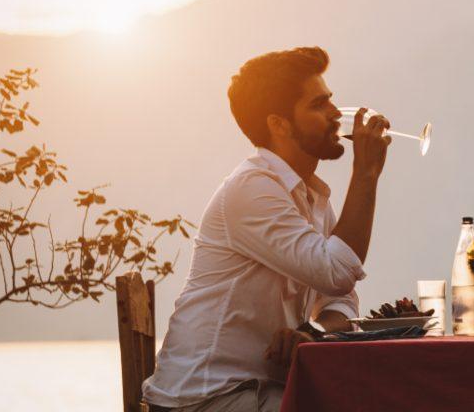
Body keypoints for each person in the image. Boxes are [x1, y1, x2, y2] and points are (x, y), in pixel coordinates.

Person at [143, 46, 392, 411]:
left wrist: (315, 330)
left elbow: (341, 295)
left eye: (331, 101)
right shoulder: (252, 189)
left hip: (257, 391)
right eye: (318, 105)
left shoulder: (309, 195)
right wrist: (366, 173)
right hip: (203, 396)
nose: (336, 114)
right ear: (279, 124)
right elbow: (338, 271)